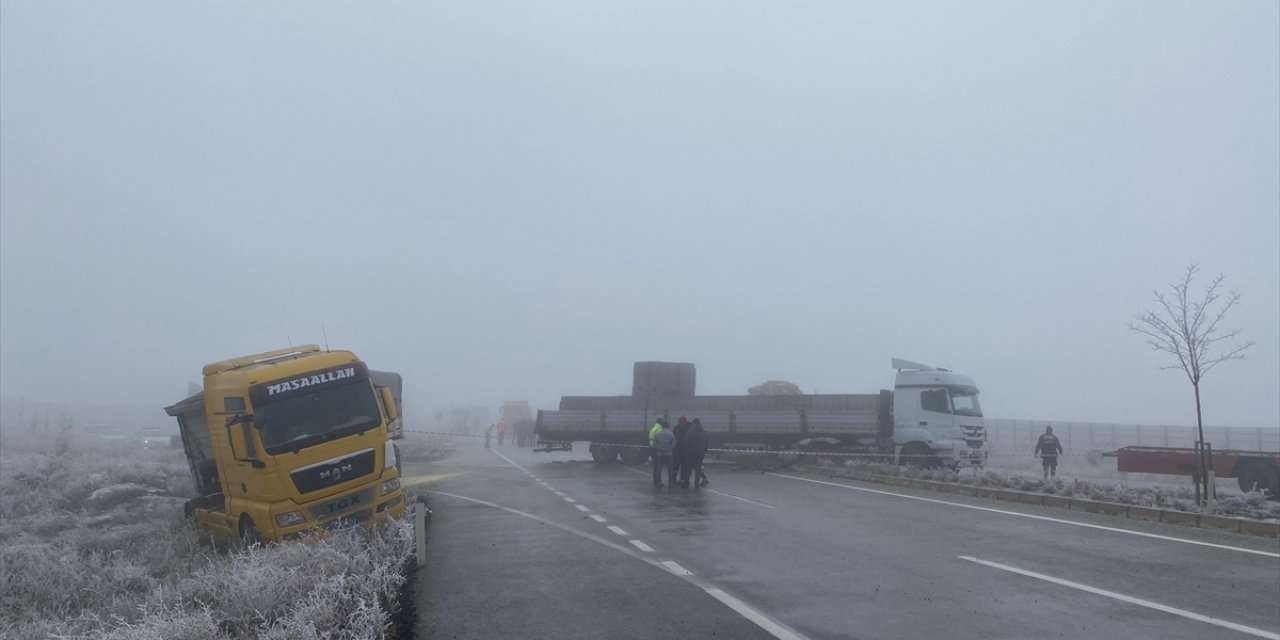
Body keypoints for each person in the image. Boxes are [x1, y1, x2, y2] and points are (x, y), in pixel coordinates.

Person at [680, 418, 709, 487]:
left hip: (691, 452)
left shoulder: (691, 431)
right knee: (698, 467)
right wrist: (704, 450)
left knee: (689, 467)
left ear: (693, 423)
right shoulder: (703, 431)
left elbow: (686, 442)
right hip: (700, 452)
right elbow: (707, 443)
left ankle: (686, 481)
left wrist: (685, 450)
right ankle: (697, 482)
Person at [653, 421, 676, 487]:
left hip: (660, 454)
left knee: (659, 469)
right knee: (670, 469)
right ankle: (671, 483)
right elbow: (673, 444)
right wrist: (667, 449)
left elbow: (655, 443)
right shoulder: (671, 434)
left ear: (662, 426)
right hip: (668, 454)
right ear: (668, 426)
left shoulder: (658, 433)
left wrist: (660, 449)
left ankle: (658, 483)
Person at [671, 416, 691, 486]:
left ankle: (673, 479)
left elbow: (673, 438)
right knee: (684, 465)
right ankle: (683, 479)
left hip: (678, 450)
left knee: (675, 465)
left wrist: (674, 448)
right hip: (686, 450)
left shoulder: (677, 428)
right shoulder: (690, 427)